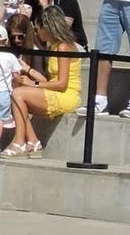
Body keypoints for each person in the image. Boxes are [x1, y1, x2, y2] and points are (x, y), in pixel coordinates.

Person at [6, 8, 84, 156]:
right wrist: (28, 71)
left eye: (38, 28)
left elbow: (61, 83)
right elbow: (50, 80)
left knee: (19, 94)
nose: (37, 32)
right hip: (56, 91)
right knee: (16, 90)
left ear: (46, 27)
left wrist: (32, 84)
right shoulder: (54, 46)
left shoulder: (63, 47)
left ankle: (20, 142)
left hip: (67, 95)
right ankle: (33, 141)